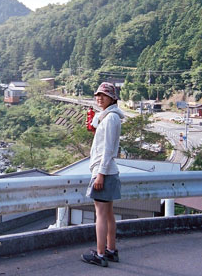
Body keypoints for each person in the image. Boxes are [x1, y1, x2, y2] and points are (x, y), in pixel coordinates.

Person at [81, 82, 125, 267]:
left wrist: (100, 174)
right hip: (109, 171)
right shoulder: (109, 117)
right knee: (108, 214)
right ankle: (111, 250)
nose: (99, 98)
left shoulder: (109, 119)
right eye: (97, 95)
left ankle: (99, 255)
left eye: (103, 95)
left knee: (100, 214)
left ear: (112, 98)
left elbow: (107, 150)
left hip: (103, 171)